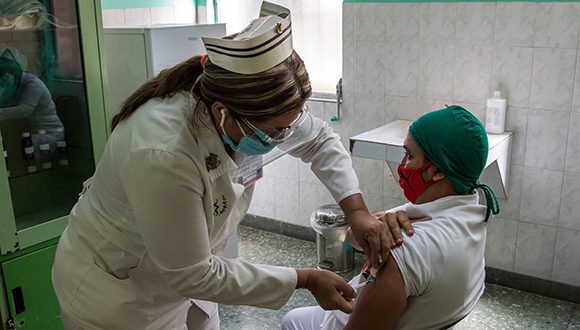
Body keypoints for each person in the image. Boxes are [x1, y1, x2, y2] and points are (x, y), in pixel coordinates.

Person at [51, 2, 413, 329]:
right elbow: (193, 274)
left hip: (191, 277)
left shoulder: (255, 110)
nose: (281, 137)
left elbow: (319, 139)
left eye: (288, 126)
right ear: (223, 113)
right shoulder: (162, 153)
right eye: (273, 131)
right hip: (119, 295)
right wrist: (303, 278)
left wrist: (357, 211)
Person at [281, 105, 500, 330]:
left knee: (292, 321)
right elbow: (352, 236)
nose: (402, 165)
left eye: (410, 155)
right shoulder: (470, 213)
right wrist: (382, 220)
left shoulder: (405, 249)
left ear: (438, 171)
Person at [0, 47, 64, 135]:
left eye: (7, 71)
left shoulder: (33, 84)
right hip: (33, 131)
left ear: (15, 72)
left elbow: (24, 110)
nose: (3, 76)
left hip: (50, 132)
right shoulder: (14, 85)